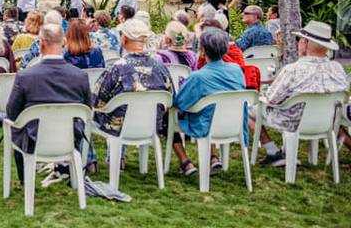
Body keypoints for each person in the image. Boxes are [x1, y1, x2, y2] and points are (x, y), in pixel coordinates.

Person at [250, 20, 349, 166]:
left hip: (294, 121)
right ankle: (282, 152)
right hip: (327, 121)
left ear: (305, 42)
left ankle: (273, 152)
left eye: (299, 39)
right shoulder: (337, 68)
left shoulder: (293, 70)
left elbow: (272, 99)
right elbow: (342, 95)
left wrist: (264, 95)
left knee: (249, 111)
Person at [5, 23, 91, 184]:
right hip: (70, 139)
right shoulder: (80, 76)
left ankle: (25, 180)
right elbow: (87, 110)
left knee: (16, 126)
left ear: (41, 43)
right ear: (63, 42)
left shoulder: (25, 76)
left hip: (32, 140)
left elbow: (12, 114)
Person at [171, 27, 246, 176]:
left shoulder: (198, 77)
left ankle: (185, 162)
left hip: (205, 126)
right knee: (208, 111)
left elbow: (179, 103)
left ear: (203, 51)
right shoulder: (237, 70)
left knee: (169, 116)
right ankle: (212, 157)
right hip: (234, 124)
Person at [93, 18, 174, 137]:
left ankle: (115, 155)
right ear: (145, 40)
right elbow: (170, 99)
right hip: (152, 125)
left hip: (118, 127)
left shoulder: (117, 68)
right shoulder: (160, 67)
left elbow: (97, 99)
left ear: (124, 39)